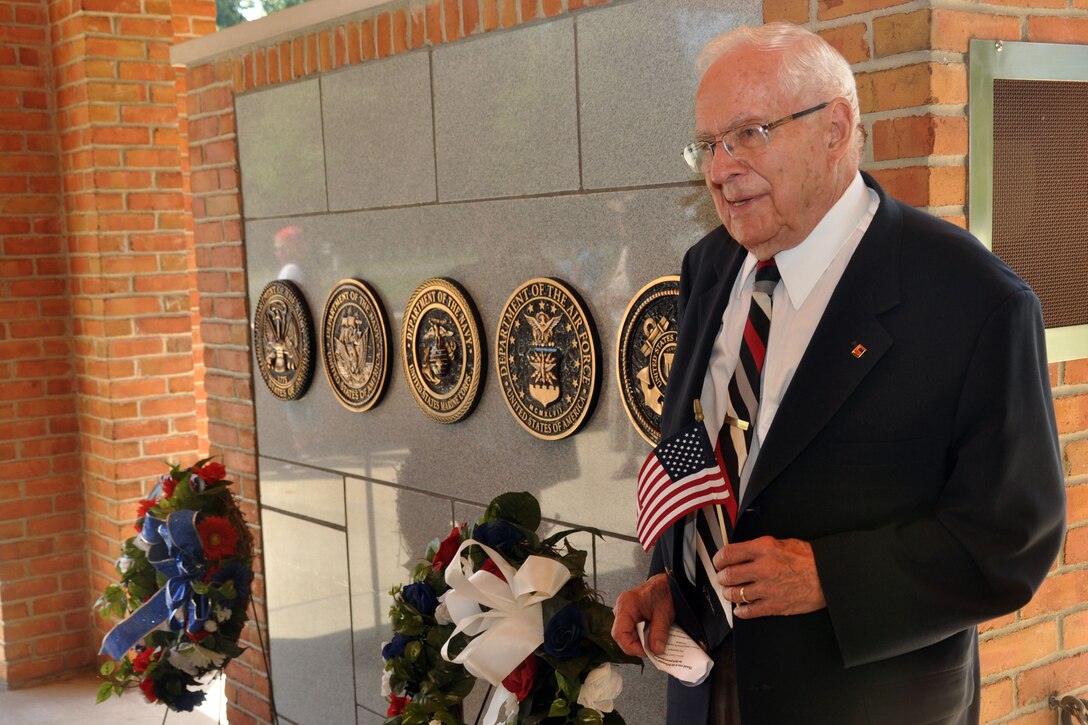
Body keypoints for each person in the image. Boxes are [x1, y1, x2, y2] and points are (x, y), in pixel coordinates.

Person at [611, 22, 1066, 725]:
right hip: (702, 693)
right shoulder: (709, 266)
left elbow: (1012, 539)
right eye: (707, 145)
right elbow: (709, 456)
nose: (720, 169)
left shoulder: (974, 301)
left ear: (836, 127)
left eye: (749, 134)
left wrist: (830, 576)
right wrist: (675, 577)